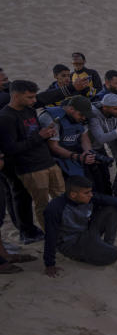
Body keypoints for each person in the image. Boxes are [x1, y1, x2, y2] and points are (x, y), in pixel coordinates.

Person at [42, 176, 117, 277]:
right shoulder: (55, 208)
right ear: (73, 194)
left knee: (112, 209)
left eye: (90, 191)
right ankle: (104, 249)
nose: (90, 195)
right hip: (70, 242)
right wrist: (49, 264)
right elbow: (50, 237)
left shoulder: (90, 197)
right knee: (111, 257)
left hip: (87, 232)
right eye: (86, 193)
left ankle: (108, 245)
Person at [0, 80, 64, 229]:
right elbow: (11, 149)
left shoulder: (28, 109)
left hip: (48, 162)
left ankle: (66, 230)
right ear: (15, 96)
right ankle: (51, 234)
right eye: (30, 97)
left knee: (62, 199)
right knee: (43, 205)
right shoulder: (5, 118)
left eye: (34, 97)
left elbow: (33, 133)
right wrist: (39, 137)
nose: (34, 101)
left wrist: (46, 134)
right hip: (31, 169)